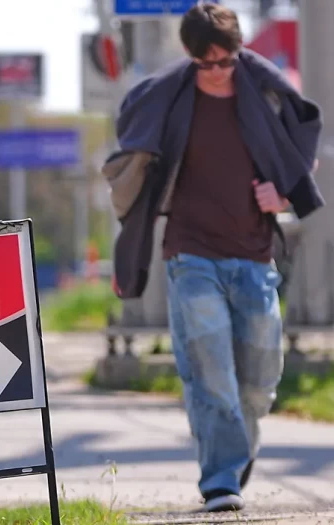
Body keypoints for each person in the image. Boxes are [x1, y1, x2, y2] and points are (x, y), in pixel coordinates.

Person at [102, 2, 324, 513]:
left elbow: (301, 140)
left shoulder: (263, 93)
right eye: (207, 64)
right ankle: (221, 480)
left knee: (260, 380)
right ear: (191, 55)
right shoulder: (170, 96)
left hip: (255, 258)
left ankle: (235, 454)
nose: (219, 72)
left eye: (226, 61)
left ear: (237, 52)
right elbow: (133, 129)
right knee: (211, 374)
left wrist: (282, 193)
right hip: (191, 255)